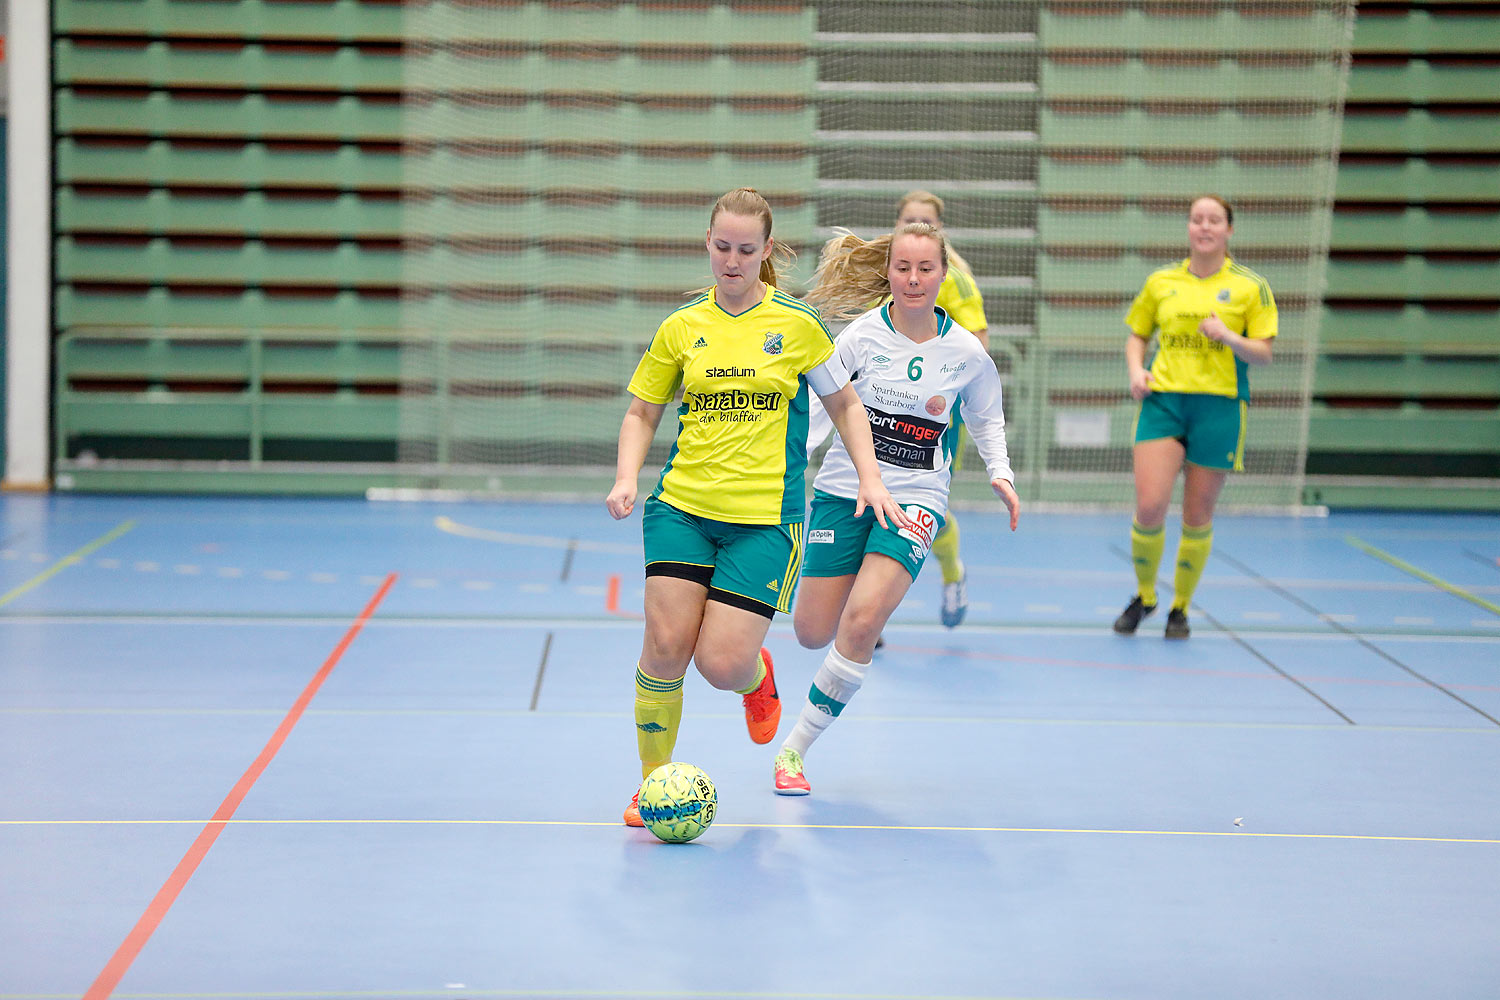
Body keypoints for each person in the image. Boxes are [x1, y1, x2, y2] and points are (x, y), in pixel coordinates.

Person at [605, 187, 909, 827]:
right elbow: (642, 411)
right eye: (722, 247)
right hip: (682, 508)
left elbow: (847, 405)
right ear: (708, 246)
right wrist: (627, 476)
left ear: (765, 251)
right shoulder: (682, 327)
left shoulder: (796, 326)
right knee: (663, 646)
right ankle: (653, 784)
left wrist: (873, 479)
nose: (733, 260)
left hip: (765, 523)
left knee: (719, 664)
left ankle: (754, 676)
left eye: (747, 249)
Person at [771, 222, 1020, 795]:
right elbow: (820, 404)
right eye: (903, 268)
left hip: (916, 497)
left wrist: (1000, 473)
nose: (913, 279)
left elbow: (984, 417)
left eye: (925, 269)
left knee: (861, 623)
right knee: (812, 631)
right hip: (842, 490)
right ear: (888, 271)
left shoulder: (964, 352)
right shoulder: (859, 336)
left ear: (943, 275)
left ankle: (794, 751)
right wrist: (791, 463)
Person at [1112, 194, 1276, 639]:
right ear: (1188, 227)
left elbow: (1263, 353)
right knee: (1149, 506)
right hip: (1164, 403)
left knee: (1197, 514)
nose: (1205, 227)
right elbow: (1137, 334)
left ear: (1229, 230)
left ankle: (1180, 608)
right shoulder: (1161, 281)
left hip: (1219, 406)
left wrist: (1228, 336)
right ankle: (1146, 596)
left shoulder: (1250, 286)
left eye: (1215, 220)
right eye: (1197, 219)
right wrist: (1135, 370)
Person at [894, 190, 990, 629]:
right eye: (910, 219)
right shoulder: (889, 275)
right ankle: (870, 616)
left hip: (937, 417)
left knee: (925, 507)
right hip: (886, 411)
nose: (917, 226)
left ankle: (952, 572)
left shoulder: (957, 283)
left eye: (927, 222)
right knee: (876, 500)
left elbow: (978, 351)